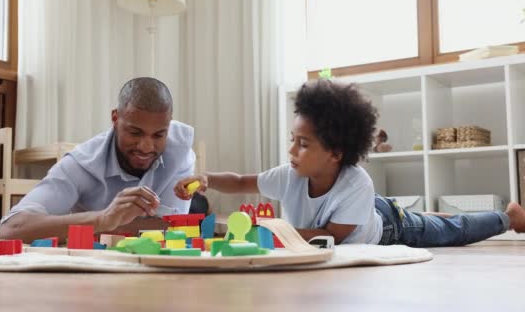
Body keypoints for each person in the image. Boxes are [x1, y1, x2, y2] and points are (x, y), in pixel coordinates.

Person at [174, 79, 525, 246]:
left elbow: (330, 236)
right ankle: (430, 214)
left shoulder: (357, 182)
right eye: (292, 141)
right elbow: (239, 181)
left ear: (336, 153)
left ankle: (508, 217)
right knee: (420, 215)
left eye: (303, 144)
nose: (291, 151)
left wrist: (274, 232)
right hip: (364, 209)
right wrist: (206, 178)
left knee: (452, 232)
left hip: (387, 228)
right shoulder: (291, 175)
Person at [0, 77, 195, 242]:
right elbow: (10, 230)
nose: (146, 147)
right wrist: (103, 219)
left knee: (198, 209)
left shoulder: (180, 150)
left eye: (158, 135)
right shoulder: (80, 164)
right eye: (135, 132)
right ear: (115, 119)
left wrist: (94, 227)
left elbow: (173, 228)